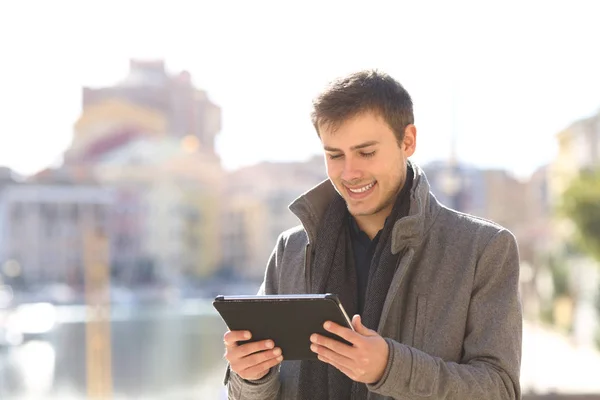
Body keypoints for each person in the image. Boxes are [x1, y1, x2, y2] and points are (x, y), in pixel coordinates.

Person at [222, 70, 522, 399]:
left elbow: (500, 390)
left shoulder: (485, 249)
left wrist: (389, 367)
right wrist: (251, 378)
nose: (349, 173)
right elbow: (247, 394)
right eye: (335, 155)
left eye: (366, 153)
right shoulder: (290, 250)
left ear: (407, 141)